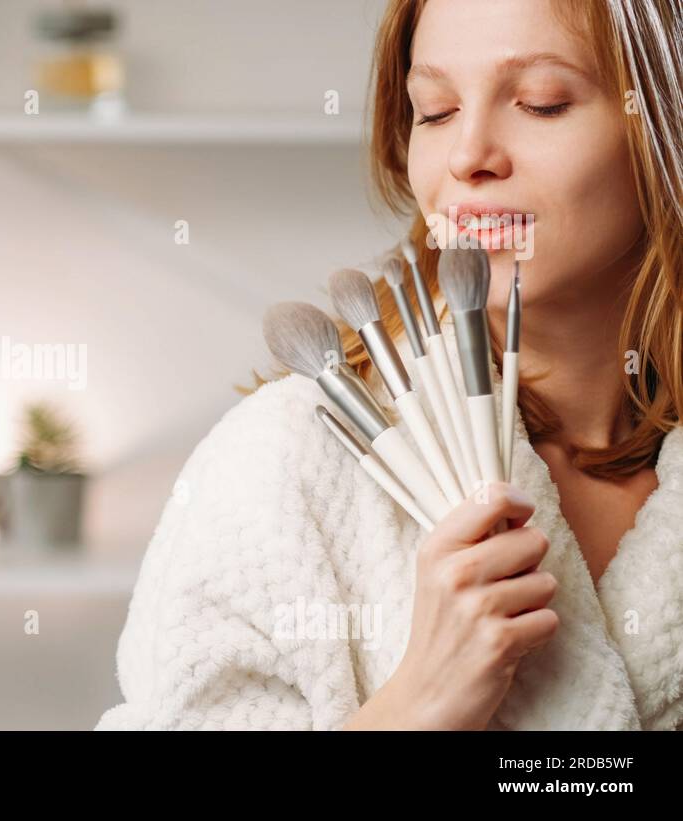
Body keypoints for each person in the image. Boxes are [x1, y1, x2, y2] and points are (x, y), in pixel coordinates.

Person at [96, 0, 683, 731]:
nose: (469, 155)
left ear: (664, 127)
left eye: (541, 103)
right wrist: (421, 702)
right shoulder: (285, 461)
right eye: (434, 111)